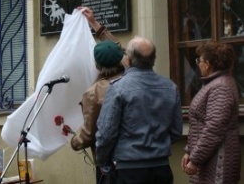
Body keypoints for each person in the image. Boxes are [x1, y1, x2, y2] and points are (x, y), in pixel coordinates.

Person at [96, 35, 183, 184]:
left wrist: (103, 161)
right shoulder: (170, 87)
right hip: (161, 168)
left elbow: (106, 133)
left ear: (128, 60)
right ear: (153, 59)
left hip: (129, 169)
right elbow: (176, 131)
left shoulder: (118, 88)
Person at [70, 7, 126, 184]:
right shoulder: (132, 74)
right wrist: (95, 24)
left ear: (97, 65)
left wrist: (74, 141)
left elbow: (89, 132)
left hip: (109, 163)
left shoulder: (94, 92)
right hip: (136, 159)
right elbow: (119, 49)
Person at [181, 41, 240, 184]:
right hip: (208, 159)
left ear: (207, 64)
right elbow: (199, 124)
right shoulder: (214, 83)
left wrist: (195, 159)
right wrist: (190, 151)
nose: (198, 64)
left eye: (198, 60)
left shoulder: (221, 87)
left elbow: (214, 129)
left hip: (218, 160)